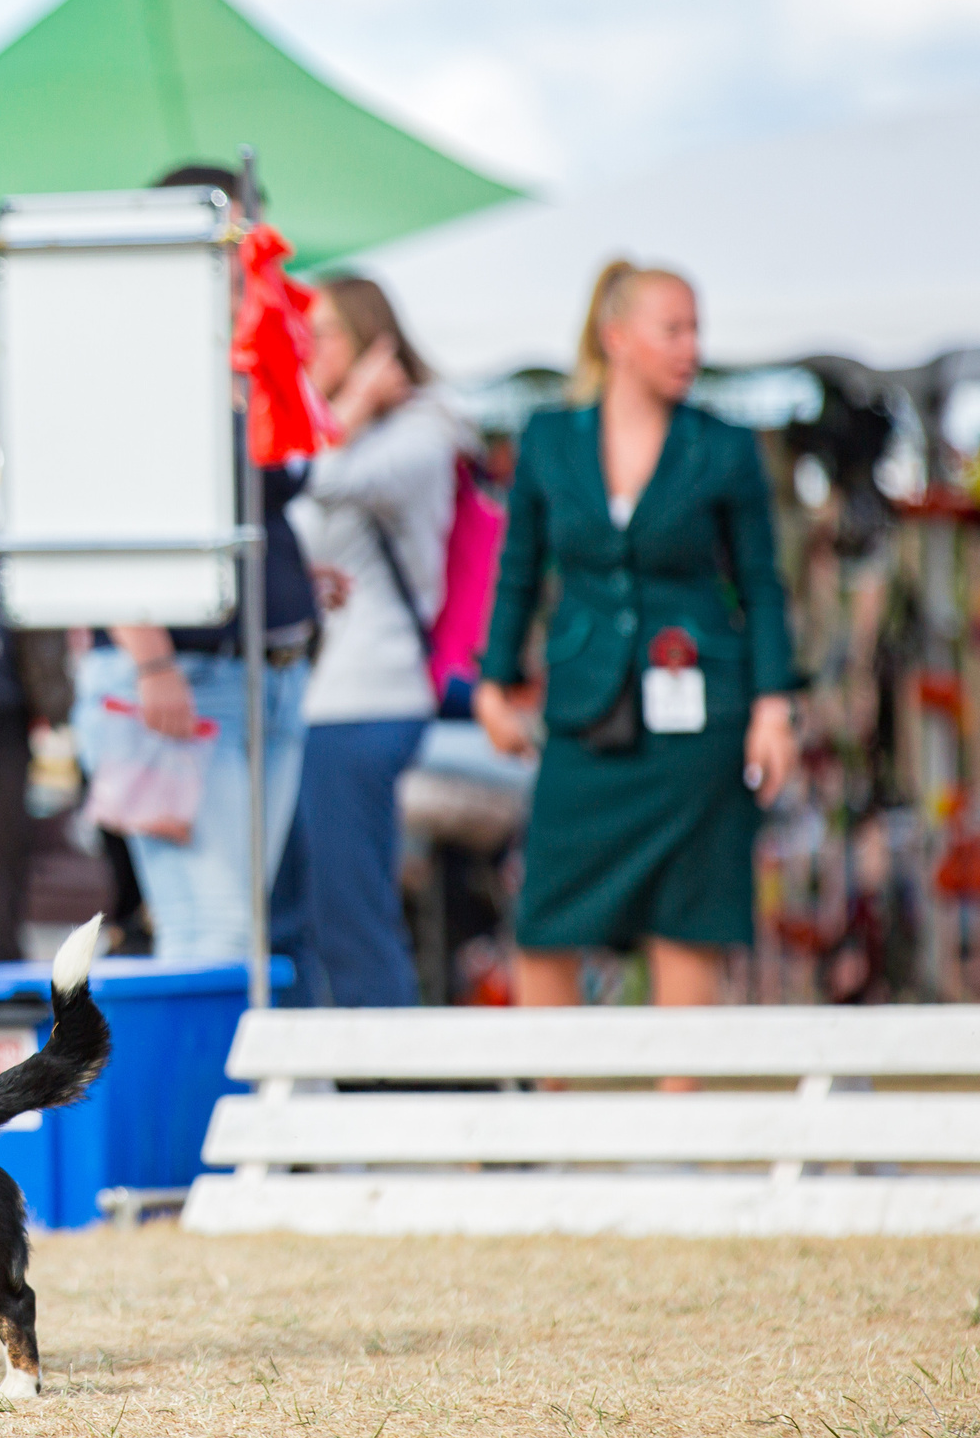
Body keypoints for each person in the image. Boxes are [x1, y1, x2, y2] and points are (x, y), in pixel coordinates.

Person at [474, 260, 798, 1022]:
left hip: (698, 715)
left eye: (696, 330)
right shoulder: (551, 439)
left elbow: (762, 583)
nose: (691, 347)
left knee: (687, 916)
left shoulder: (721, 445)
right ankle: (547, 1120)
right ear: (616, 336)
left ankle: (677, 1126)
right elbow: (518, 571)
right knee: (546, 912)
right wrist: (493, 682)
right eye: (672, 329)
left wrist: (774, 705)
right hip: (587, 705)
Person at [80, 163, 315, 964]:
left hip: (265, 671)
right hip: (184, 676)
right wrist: (151, 660)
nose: (259, 259)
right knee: (210, 931)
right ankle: (207, 1094)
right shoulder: (129, 359)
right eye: (238, 241)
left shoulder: (245, 357)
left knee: (238, 926)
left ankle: (221, 1091)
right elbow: (93, 512)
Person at [283, 275, 474, 1006]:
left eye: (324, 331)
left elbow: (321, 479)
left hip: (368, 696)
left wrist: (355, 403)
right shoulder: (330, 422)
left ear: (371, 340)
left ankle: (388, 1089)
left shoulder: (423, 429)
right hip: (317, 698)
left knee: (354, 915)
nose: (307, 348)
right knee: (307, 912)